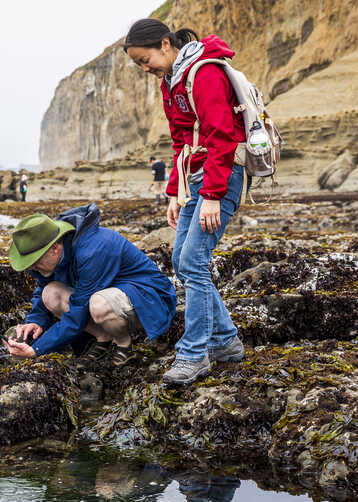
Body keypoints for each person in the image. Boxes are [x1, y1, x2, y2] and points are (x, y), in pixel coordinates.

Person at [124, 19, 248, 385]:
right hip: (196, 179)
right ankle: (226, 342)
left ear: (165, 44)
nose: (145, 69)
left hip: (222, 176)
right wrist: (176, 194)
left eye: (145, 60)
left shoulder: (204, 73)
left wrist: (212, 196)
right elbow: (181, 142)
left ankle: (194, 354)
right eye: (138, 65)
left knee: (193, 261)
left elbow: (223, 137)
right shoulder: (171, 82)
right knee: (181, 258)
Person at [3, 203, 176, 367]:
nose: (31, 268)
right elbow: (43, 288)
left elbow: (79, 309)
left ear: (55, 248)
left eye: (35, 261)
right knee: (50, 293)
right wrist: (36, 321)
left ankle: (124, 343)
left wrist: (37, 349)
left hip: (149, 296)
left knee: (98, 304)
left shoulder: (93, 249)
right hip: (109, 294)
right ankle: (103, 337)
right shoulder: (48, 258)